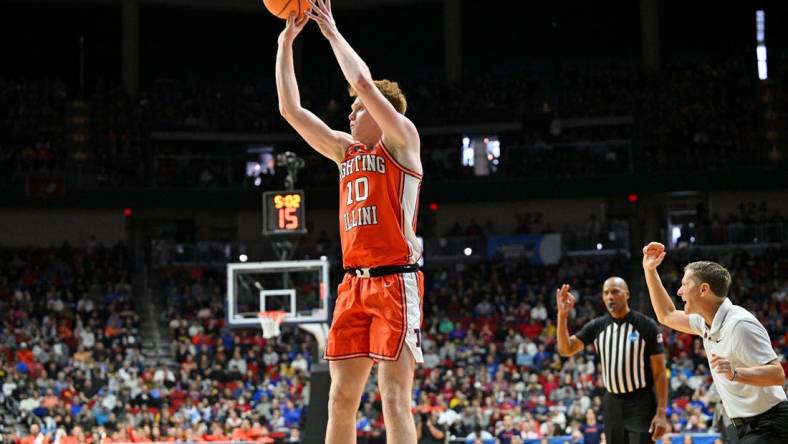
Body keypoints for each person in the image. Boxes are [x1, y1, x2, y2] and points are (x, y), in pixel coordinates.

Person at [275, 1, 424, 443]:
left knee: (394, 398)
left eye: (358, 109)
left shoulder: (401, 142)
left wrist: (332, 33)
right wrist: (285, 45)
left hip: (396, 282)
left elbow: (360, 80)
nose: (351, 113)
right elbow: (291, 111)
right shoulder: (346, 152)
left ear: (382, 113)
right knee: (340, 399)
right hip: (353, 285)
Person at [641, 242, 788, 443]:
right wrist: (650, 271)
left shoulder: (739, 324)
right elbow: (666, 315)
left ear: (703, 289)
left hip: (770, 423)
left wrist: (735, 373)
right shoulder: (705, 321)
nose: (680, 292)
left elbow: (777, 374)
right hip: (741, 426)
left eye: (685, 285)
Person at [555, 278, 669, 443]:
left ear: (627, 294)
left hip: (641, 402)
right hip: (612, 402)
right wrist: (562, 316)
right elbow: (565, 349)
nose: (610, 297)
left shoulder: (647, 326)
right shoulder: (597, 326)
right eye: (606, 293)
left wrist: (661, 412)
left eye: (615, 291)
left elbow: (659, 373)